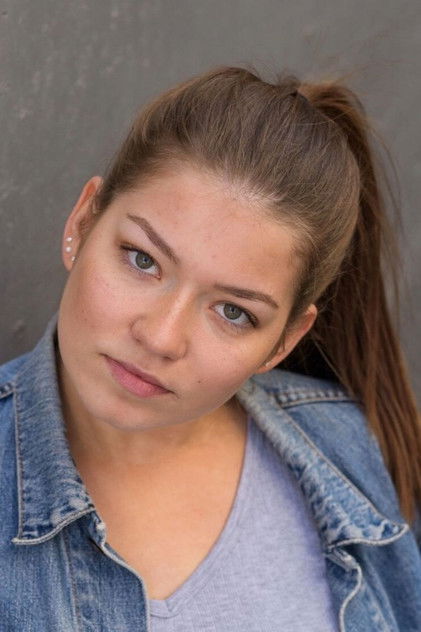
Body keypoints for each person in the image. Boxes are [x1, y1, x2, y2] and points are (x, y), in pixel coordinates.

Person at [1, 65, 420, 632]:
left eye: (233, 312)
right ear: (84, 220)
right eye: (143, 260)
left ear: (284, 341)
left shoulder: (352, 451)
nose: (160, 337)